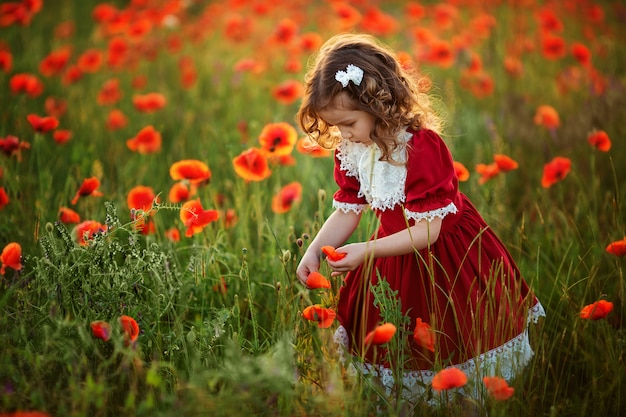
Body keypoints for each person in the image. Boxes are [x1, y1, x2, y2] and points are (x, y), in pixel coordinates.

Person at [295, 33, 545, 408]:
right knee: (403, 342)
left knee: (451, 335)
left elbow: (430, 230)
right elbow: (348, 207)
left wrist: (367, 250)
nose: (342, 134)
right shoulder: (355, 149)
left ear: (378, 106)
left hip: (445, 254)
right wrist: (313, 251)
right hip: (393, 251)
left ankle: (465, 402)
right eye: (336, 127)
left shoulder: (421, 148)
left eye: (348, 122)